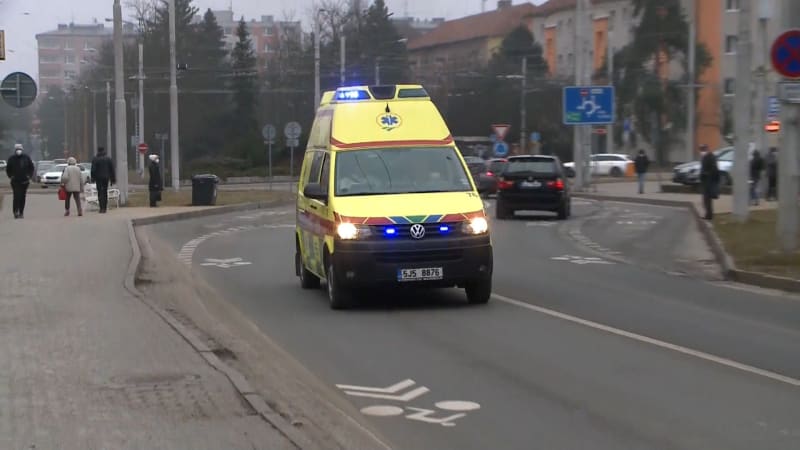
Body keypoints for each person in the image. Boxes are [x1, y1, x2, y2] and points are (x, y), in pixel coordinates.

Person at [5, 144, 35, 219]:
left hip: (25, 181)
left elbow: (31, 167)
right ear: (15, 150)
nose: (18, 151)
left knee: (22, 197)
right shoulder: (11, 158)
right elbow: (8, 169)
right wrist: (10, 176)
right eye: (17, 149)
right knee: (16, 196)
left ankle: (21, 212)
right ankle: (15, 212)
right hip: (15, 181)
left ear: (22, 149)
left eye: (20, 149)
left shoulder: (26, 158)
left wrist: (29, 175)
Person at [90, 147, 116, 213]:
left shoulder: (95, 159)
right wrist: (113, 179)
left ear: (98, 151)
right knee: (105, 192)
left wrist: (92, 178)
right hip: (106, 178)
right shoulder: (108, 159)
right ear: (104, 151)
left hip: (98, 178)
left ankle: (101, 208)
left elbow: (93, 170)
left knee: (99, 192)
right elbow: (112, 169)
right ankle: (104, 207)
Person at [699, 144, 720, 220]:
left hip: (708, 181)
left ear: (706, 149)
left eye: (703, 150)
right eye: (701, 150)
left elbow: (714, 169)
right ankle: (708, 214)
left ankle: (709, 215)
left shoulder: (709, 157)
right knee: (706, 200)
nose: (701, 152)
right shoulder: (707, 157)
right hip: (707, 181)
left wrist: (706, 174)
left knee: (707, 199)